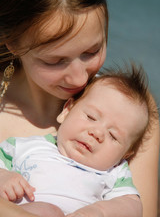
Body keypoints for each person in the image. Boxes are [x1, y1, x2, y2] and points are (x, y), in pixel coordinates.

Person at [0, 0, 159, 217]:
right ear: (12, 42)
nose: (78, 80)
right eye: (55, 61)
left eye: (92, 51)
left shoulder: (131, 110)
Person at [0, 65, 158, 217]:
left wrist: (100, 212)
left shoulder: (114, 172)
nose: (97, 133)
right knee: (47, 212)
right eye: (91, 117)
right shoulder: (25, 146)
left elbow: (133, 206)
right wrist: (4, 177)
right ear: (66, 111)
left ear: (126, 153)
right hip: (29, 211)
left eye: (113, 136)